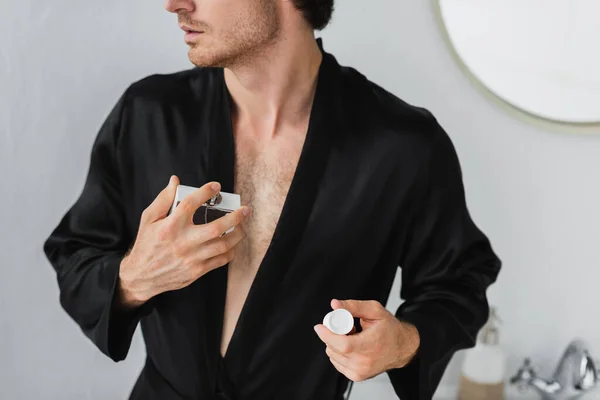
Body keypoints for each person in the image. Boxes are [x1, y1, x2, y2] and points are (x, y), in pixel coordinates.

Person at [42, 1, 502, 399]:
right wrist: (133, 278)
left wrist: (404, 343)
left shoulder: (403, 146)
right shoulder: (149, 115)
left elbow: (459, 281)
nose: (174, 4)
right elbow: (74, 253)